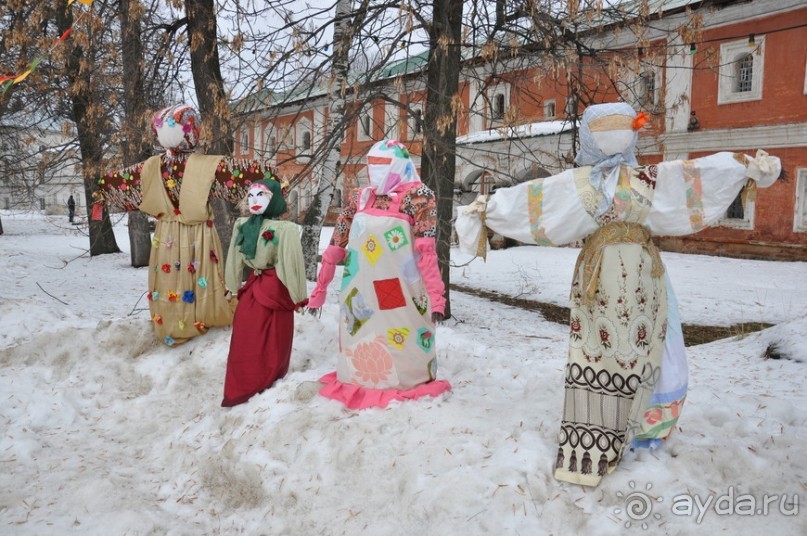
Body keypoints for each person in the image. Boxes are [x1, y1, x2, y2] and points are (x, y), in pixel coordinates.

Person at [455, 102, 781, 487]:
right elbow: (535, 200)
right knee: (613, 348)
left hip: (636, 275)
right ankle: (617, 424)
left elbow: (692, 177)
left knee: (647, 344)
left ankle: (642, 423)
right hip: (610, 277)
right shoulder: (594, 183)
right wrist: (485, 209)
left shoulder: (630, 179)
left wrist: (741, 166)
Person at [94, 104, 275, 346]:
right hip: (195, 232)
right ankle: (195, 315)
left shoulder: (155, 167)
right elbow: (241, 175)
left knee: (174, 276)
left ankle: (177, 318)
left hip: (170, 232)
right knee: (197, 273)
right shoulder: (196, 165)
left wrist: (103, 190)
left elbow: (123, 181)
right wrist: (271, 178)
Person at [307, 139, 451, 409]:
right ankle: (360, 376)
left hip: (403, 293)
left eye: (383, 164)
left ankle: (405, 380)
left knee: (402, 341)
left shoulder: (419, 198)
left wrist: (437, 297)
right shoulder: (360, 197)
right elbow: (336, 244)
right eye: (372, 164)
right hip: (359, 292)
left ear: (399, 164)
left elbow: (427, 253)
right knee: (361, 340)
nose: (376, 171)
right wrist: (319, 293)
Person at [221, 178, 307, 407]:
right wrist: (230, 285)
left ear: (274, 199)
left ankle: (267, 381)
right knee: (247, 334)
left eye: (262, 195)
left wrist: (298, 295)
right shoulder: (242, 225)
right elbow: (234, 257)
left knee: (272, 337)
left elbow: (291, 264)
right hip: (253, 289)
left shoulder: (285, 229)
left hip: (275, 289)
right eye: (250, 196)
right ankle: (244, 385)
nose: (254, 200)